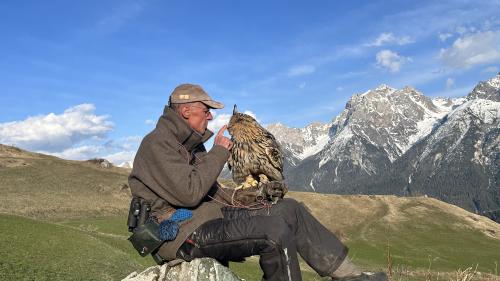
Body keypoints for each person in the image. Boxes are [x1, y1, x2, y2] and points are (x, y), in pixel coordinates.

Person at [128, 83, 388, 281]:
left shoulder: (192, 147)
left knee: (289, 209)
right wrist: (220, 151)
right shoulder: (157, 144)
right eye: (206, 111)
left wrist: (254, 197)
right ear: (186, 111)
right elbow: (190, 194)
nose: (209, 118)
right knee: (273, 231)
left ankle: (350, 276)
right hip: (181, 235)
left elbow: (214, 193)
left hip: (208, 219)